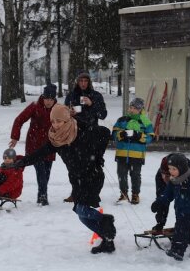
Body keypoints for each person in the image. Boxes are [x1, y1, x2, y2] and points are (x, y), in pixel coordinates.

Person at [16, 105, 115, 254]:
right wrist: (22, 162)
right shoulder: (56, 139)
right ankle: (108, 241)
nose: (55, 125)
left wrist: (98, 156)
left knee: (82, 209)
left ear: (66, 120)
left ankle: (105, 221)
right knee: (82, 215)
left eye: (59, 121)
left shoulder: (81, 130)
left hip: (92, 176)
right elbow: (40, 153)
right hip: (76, 179)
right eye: (53, 121)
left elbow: (105, 133)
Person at [62, 71, 107, 203]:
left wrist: (91, 104)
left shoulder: (96, 96)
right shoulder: (71, 96)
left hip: (92, 135)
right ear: (77, 82)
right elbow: (63, 115)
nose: (83, 83)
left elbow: (103, 114)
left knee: (92, 166)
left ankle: (93, 193)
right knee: (73, 166)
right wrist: (69, 113)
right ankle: (75, 192)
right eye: (80, 81)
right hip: (74, 135)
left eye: (85, 81)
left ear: (89, 82)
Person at [9, 84, 57, 205]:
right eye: (46, 98)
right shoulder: (35, 106)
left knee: (46, 174)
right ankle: (42, 197)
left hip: (50, 147)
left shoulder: (58, 109)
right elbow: (19, 120)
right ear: (43, 97)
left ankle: (42, 194)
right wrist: (15, 137)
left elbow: (67, 123)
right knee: (41, 173)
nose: (48, 102)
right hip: (34, 146)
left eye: (51, 99)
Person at [112, 97, 154, 204]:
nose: (131, 110)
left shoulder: (145, 121)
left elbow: (150, 137)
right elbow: (114, 134)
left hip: (137, 154)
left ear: (140, 109)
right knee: (121, 174)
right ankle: (123, 194)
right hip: (122, 152)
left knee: (135, 175)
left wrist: (139, 136)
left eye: (134, 108)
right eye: (130, 107)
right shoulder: (122, 120)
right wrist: (121, 134)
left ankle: (135, 195)